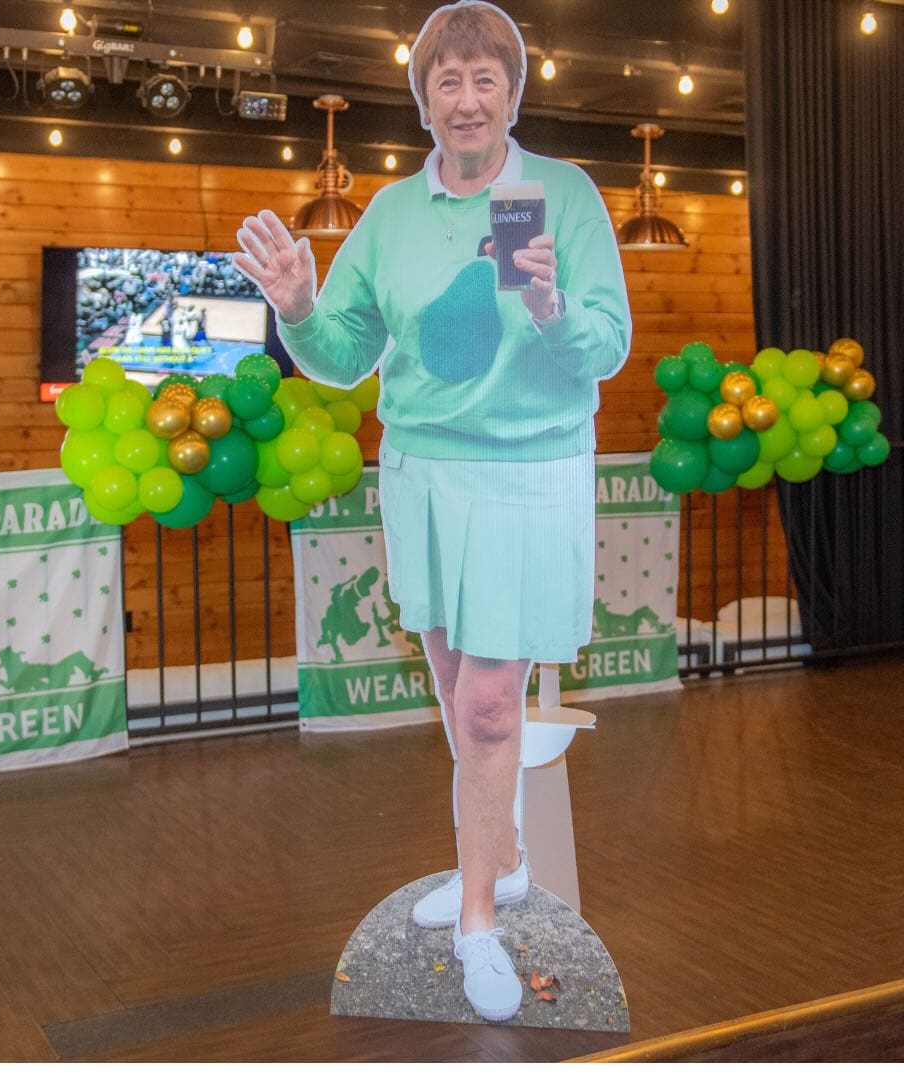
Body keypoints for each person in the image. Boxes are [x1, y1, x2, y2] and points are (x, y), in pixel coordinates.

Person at [235, 0, 630, 1024]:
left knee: (494, 703)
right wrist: (297, 308)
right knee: (458, 687)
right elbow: (343, 358)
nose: (465, 99)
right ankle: (499, 858)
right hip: (424, 472)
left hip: (530, 471)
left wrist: (548, 309)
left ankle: (475, 921)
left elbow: (609, 346)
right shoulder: (392, 216)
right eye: (446, 82)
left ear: (511, 93)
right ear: (423, 102)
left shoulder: (566, 197)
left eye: (484, 79)